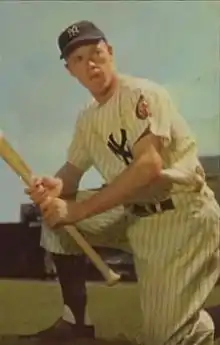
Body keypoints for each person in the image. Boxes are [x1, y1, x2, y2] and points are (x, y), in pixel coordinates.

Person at [24, 20, 220, 345]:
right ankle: (77, 323)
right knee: (55, 223)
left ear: (110, 53)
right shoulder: (89, 117)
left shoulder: (141, 94)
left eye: (95, 53)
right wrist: (54, 188)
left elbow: (148, 166)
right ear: (70, 70)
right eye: (77, 59)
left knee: (164, 338)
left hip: (182, 217)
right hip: (134, 215)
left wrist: (78, 210)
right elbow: (71, 173)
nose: (90, 64)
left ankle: (198, 320)